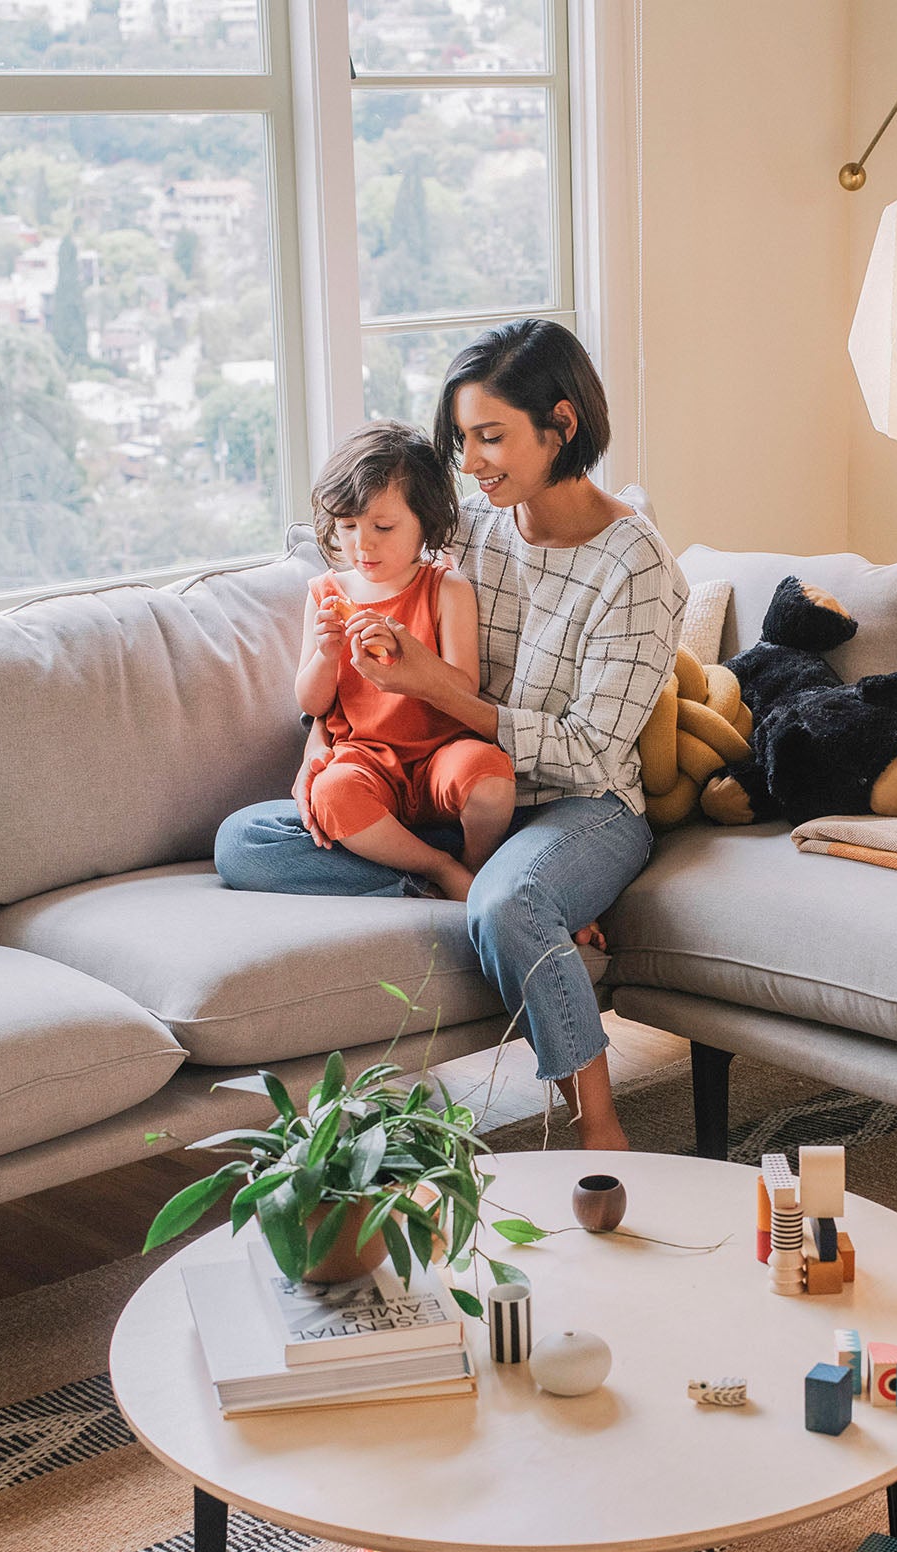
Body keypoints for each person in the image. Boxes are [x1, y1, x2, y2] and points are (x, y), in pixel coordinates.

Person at [215, 320, 688, 1150]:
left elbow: (585, 750)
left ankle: (599, 1122)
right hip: (447, 791)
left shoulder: (638, 568)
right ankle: (457, 882)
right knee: (244, 841)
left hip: (582, 803)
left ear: (563, 425)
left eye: (490, 438)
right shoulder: (470, 525)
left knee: (511, 902)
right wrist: (319, 737)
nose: (469, 464)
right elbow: (361, 554)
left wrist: (436, 686)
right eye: (462, 439)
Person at [295, 421, 517, 902]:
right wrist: (327, 656)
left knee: (493, 779)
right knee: (328, 794)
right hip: (367, 762)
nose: (362, 544)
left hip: (441, 755)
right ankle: (439, 867)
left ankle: (475, 869)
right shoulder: (325, 595)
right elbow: (311, 702)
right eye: (348, 526)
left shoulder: (445, 589)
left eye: (383, 527)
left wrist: (411, 659)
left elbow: (466, 686)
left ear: (426, 522)